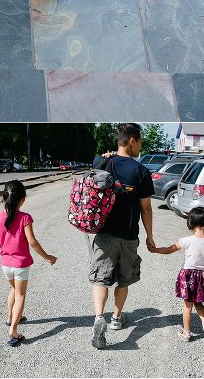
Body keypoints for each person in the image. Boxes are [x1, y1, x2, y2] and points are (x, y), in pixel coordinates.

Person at [88, 123, 155, 349]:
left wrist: (107, 155)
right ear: (133, 141)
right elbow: (146, 208)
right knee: (123, 280)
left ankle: (99, 318)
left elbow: (97, 160)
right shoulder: (141, 171)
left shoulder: (101, 162)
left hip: (104, 234)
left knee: (100, 278)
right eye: (141, 141)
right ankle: (116, 318)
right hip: (128, 236)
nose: (141, 146)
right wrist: (150, 236)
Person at [0, 180, 57, 347]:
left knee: (13, 289)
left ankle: (10, 317)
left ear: (4, 197)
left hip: (6, 265)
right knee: (20, 295)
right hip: (20, 265)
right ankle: (13, 330)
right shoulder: (25, 218)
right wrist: (47, 257)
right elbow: (32, 242)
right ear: (23, 200)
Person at [151, 206, 204, 345]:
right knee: (198, 301)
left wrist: (155, 250)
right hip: (203, 276)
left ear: (190, 223)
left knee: (187, 305)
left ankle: (186, 333)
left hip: (188, 276)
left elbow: (169, 250)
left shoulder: (186, 240)